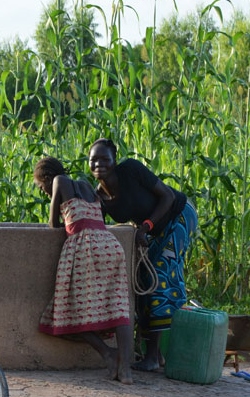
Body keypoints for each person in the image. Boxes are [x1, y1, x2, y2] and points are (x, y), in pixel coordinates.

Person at [88, 138, 198, 372]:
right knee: (144, 284)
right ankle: (156, 355)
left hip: (178, 216)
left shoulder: (131, 170)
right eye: (93, 160)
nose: (99, 164)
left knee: (159, 278)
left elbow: (167, 196)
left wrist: (145, 227)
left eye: (104, 159)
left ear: (115, 160)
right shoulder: (101, 198)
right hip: (152, 232)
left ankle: (152, 357)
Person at [33, 157, 134, 384]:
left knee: (70, 312)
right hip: (110, 245)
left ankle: (108, 353)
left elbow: (53, 224)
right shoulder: (87, 185)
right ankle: (125, 370)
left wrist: (58, 206)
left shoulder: (59, 181)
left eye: (42, 187)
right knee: (118, 309)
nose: (45, 193)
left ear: (48, 178)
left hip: (86, 247)